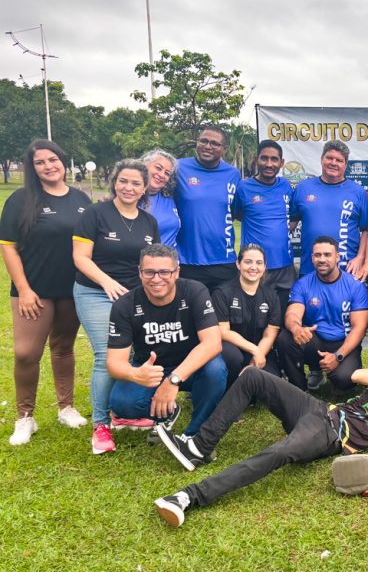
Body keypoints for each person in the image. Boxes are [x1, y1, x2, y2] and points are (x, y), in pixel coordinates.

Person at [153, 332, 368, 527]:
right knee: (253, 376)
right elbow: (357, 375)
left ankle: (189, 496)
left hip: (331, 436)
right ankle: (198, 447)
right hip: (321, 410)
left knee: (279, 452)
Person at [1, 140, 91, 445]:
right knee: (27, 353)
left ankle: (66, 407)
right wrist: (24, 290)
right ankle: (25, 417)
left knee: (63, 347)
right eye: (40, 162)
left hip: (72, 288)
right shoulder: (21, 199)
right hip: (34, 291)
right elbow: (8, 248)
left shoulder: (81, 199)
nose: (48, 166)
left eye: (53, 159)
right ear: (33, 167)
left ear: (63, 161)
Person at [73, 159, 161, 454]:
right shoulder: (95, 213)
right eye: (123, 181)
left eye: (136, 183)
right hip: (96, 292)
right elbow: (81, 257)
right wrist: (107, 282)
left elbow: (153, 262)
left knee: (137, 353)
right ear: (114, 182)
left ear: (145, 188)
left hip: (135, 297)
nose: (129, 187)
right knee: (106, 355)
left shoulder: (149, 222)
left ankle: (122, 411)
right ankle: (100, 426)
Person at [106, 244, 227, 437]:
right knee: (122, 403)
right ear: (139, 272)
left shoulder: (194, 291)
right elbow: (114, 363)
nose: (156, 279)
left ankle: (197, 433)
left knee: (215, 370)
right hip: (151, 369)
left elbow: (213, 342)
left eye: (164, 272)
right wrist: (135, 374)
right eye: (149, 272)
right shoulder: (125, 305)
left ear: (176, 272)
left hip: (191, 366)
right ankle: (166, 413)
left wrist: (173, 380)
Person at [277, 236, 368, 393]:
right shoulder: (303, 284)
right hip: (315, 339)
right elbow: (292, 314)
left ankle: (335, 375)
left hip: (343, 343)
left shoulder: (355, 286)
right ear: (312, 258)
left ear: (337, 257)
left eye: (327, 255)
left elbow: (359, 329)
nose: (322, 259)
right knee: (286, 338)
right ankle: (300, 388)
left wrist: (338, 356)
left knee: (345, 381)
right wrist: (296, 328)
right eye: (317, 255)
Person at [289, 140, 368, 279]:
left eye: (339, 160)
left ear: (345, 165)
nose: (333, 163)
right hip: (310, 269)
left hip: (347, 270)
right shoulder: (303, 188)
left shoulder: (358, 193)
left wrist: (360, 257)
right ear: (322, 159)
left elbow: (367, 230)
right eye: (329, 158)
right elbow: (290, 224)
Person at [174, 125, 241, 292]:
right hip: (187, 260)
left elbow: (233, 211)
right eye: (203, 141)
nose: (208, 146)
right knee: (190, 316)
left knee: (223, 316)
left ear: (224, 149)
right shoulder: (179, 168)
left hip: (223, 261)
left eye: (214, 143)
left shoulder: (233, 174)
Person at [233, 140, 296, 304]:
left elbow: (294, 216)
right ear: (256, 160)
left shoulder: (286, 186)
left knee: (283, 318)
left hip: (284, 265)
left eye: (274, 159)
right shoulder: (243, 188)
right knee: (255, 320)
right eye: (264, 158)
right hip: (256, 267)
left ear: (281, 163)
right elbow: (238, 215)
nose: (269, 164)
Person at [212, 244, 282, 388]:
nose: (253, 267)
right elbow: (223, 332)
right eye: (248, 262)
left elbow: (270, 333)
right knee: (232, 356)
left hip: (261, 351)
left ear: (264, 266)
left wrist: (258, 355)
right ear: (238, 264)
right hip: (233, 351)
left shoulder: (271, 296)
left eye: (259, 263)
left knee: (270, 384)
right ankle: (228, 385)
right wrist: (253, 349)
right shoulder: (222, 293)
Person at [140, 149, 180, 248]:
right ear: (144, 165)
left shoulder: (170, 198)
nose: (162, 175)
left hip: (170, 260)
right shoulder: (130, 197)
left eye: (167, 173)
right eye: (158, 168)